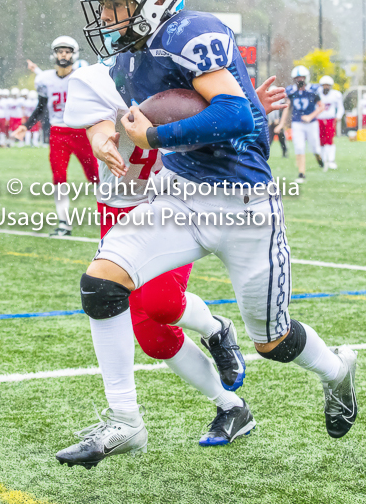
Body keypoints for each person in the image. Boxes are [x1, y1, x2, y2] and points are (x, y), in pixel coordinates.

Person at [55, 0, 357, 468]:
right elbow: (100, 100)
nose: (105, 15)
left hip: (243, 205)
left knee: (274, 342)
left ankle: (337, 371)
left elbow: (236, 116)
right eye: (102, 5)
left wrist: (153, 139)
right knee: (102, 285)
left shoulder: (193, 31)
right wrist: (106, 130)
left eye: (116, 3)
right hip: (178, 195)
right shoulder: (129, 57)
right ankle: (126, 420)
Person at [65, 62, 254, 448]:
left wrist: (259, 114)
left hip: (171, 203)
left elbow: (226, 118)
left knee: (163, 304)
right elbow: (99, 124)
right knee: (151, 336)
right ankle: (232, 406)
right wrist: (103, 141)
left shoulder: (186, 66)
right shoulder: (96, 76)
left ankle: (216, 329)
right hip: (116, 209)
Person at [14, 36, 100, 237]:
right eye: (60, 51)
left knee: (95, 175)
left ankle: (107, 215)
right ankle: (64, 223)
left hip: (80, 131)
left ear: (74, 54)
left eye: (67, 51)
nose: (64, 54)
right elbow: (42, 106)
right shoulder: (45, 80)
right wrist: (26, 126)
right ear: (54, 53)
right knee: (59, 178)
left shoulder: (81, 76)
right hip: (58, 133)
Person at [281, 65, 324, 182]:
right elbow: (287, 107)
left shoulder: (313, 90)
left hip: (311, 123)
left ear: (306, 78)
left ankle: (319, 159)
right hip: (297, 123)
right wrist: (281, 124)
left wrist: (310, 116)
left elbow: (322, 107)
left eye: (302, 77)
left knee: (315, 148)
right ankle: (301, 173)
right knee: (299, 147)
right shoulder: (291, 91)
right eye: (297, 78)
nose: (300, 80)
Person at [316, 76, 343, 170]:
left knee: (330, 140)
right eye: (324, 85)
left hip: (330, 119)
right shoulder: (317, 94)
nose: (326, 87)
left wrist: (338, 116)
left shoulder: (335, 95)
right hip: (319, 119)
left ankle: (331, 160)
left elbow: (340, 107)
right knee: (321, 140)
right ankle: (323, 160)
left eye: (328, 85)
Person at [265, 85, 287, 158]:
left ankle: (285, 151)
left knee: (282, 139)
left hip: (278, 123)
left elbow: (283, 111)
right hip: (271, 123)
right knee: (269, 139)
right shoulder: (268, 100)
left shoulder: (281, 101)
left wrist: (280, 122)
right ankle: (265, 152)